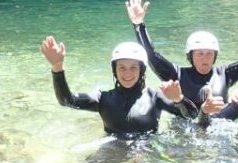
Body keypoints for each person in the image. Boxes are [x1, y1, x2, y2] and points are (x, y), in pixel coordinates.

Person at [125, 0, 238, 109]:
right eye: (199, 53)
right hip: (185, 127)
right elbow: (151, 56)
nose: (204, 58)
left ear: (215, 56)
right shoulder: (178, 75)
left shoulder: (225, 74)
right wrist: (138, 25)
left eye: (209, 53)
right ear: (190, 56)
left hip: (219, 127)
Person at [40, 36, 197, 135]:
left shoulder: (155, 98)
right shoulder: (102, 99)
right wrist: (57, 68)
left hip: (145, 154)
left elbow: (192, 115)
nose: (127, 73)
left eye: (133, 68)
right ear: (114, 70)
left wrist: (179, 99)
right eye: (122, 67)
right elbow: (66, 101)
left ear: (142, 70)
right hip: (112, 152)